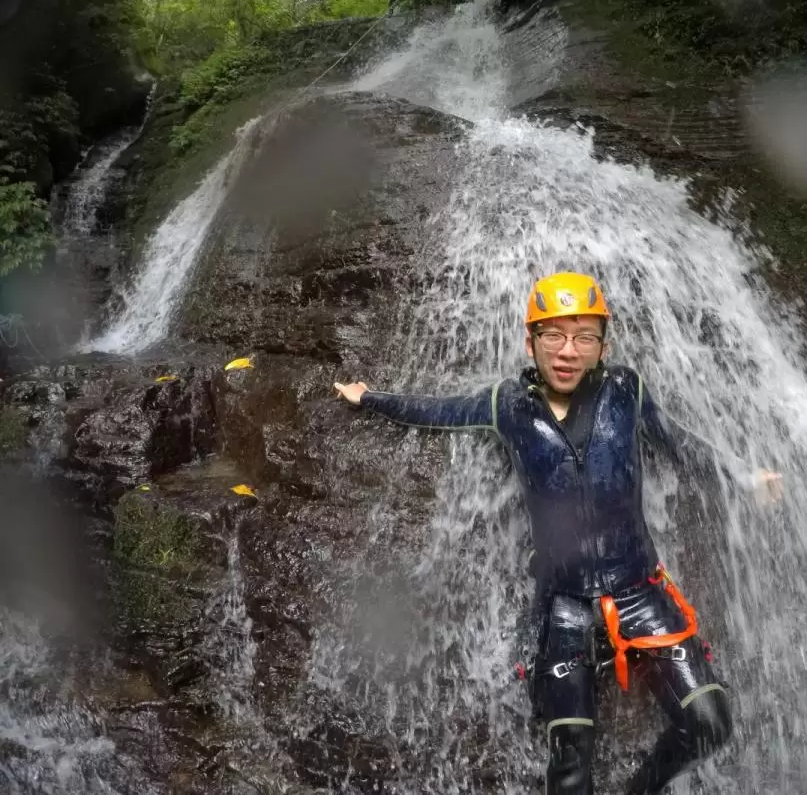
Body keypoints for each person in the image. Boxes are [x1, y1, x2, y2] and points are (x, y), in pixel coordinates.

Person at [334, 272, 783, 794]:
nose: (568, 351)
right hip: (563, 606)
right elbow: (438, 410)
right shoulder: (506, 405)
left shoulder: (626, 390)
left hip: (640, 591)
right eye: (553, 336)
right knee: (570, 768)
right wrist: (371, 397)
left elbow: (680, 444)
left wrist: (744, 477)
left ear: (601, 347)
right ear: (531, 342)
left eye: (583, 337)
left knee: (709, 723)